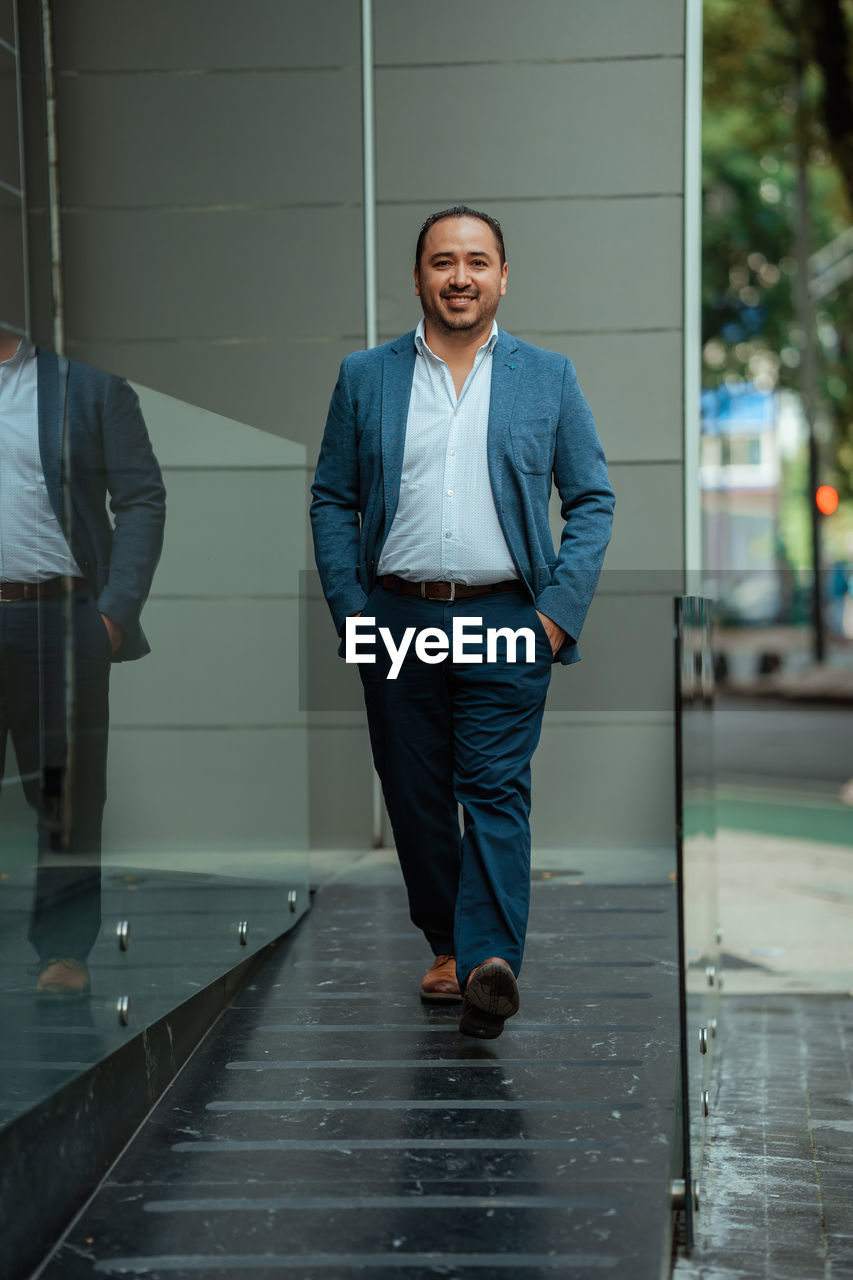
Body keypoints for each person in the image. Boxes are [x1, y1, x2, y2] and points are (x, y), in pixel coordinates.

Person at [311, 206, 614, 1038]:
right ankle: (448, 943)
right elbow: (333, 497)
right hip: (398, 613)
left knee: (492, 789)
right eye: (442, 261)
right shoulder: (365, 377)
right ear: (417, 277)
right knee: (414, 796)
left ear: (503, 277)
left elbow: (590, 497)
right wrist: (352, 612)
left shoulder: (546, 377)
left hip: (509, 614)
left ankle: (487, 961)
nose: (459, 276)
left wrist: (556, 616)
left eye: (477, 261)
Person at [0, 332, 166, 996]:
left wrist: (112, 614)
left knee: (67, 795)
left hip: (60, 617)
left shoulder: (92, 390)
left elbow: (141, 499)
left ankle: (64, 951)